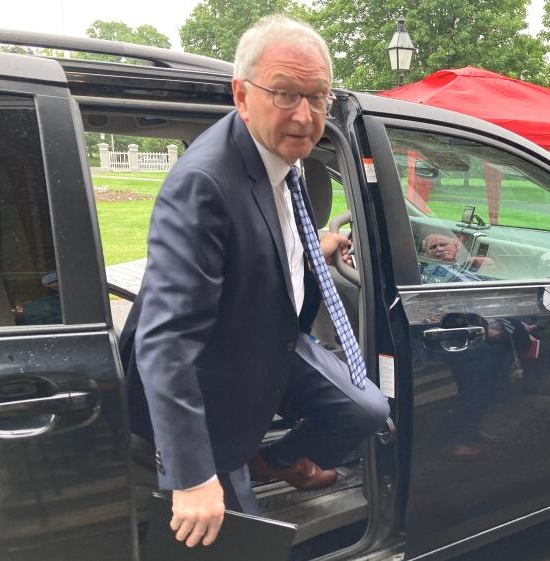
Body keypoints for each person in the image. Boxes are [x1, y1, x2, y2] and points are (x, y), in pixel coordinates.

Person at [119, 15, 389, 548]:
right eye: (285, 94)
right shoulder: (204, 184)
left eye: (318, 97)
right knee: (240, 541)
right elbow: (166, 341)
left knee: (367, 408)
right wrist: (193, 475)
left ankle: (277, 460)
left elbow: (265, 234)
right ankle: (242, 461)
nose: (306, 115)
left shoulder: (283, 160)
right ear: (241, 95)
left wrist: (317, 248)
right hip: (210, 372)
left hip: (270, 336)